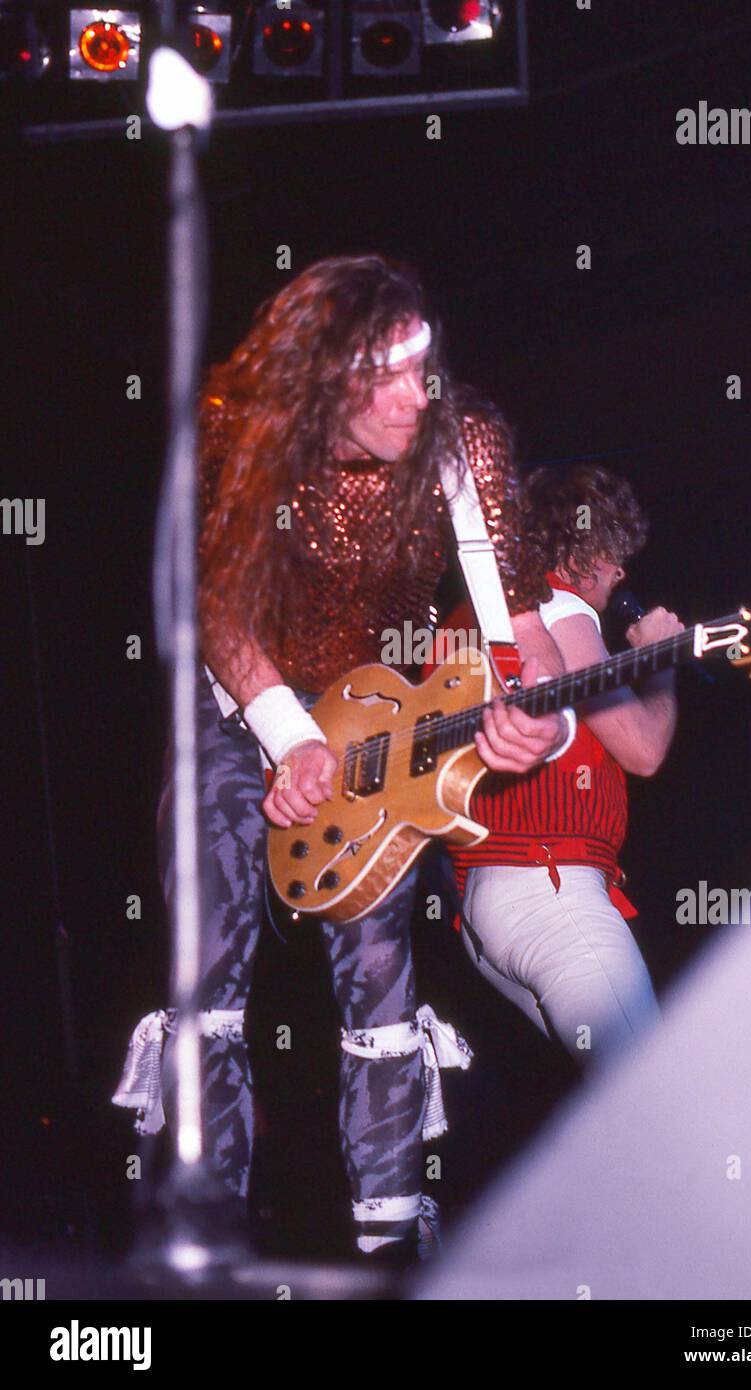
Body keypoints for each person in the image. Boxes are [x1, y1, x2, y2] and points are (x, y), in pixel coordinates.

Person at [152, 254, 576, 1260]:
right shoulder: (242, 436)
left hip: (383, 719)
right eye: (374, 376)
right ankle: (197, 1241)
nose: (406, 398)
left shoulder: (461, 441)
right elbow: (214, 601)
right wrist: (286, 737)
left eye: (416, 366)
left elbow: (514, 621)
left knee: (382, 974)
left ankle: (391, 1247)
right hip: (238, 708)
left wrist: (541, 720)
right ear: (317, 379)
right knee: (205, 972)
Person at [446, 464, 683, 1071]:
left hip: (486, 904)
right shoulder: (559, 606)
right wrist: (660, 662)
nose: (621, 571)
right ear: (580, 549)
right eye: (612, 552)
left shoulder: (470, 613)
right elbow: (643, 748)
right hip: (548, 885)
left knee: (619, 1114)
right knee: (658, 1101)